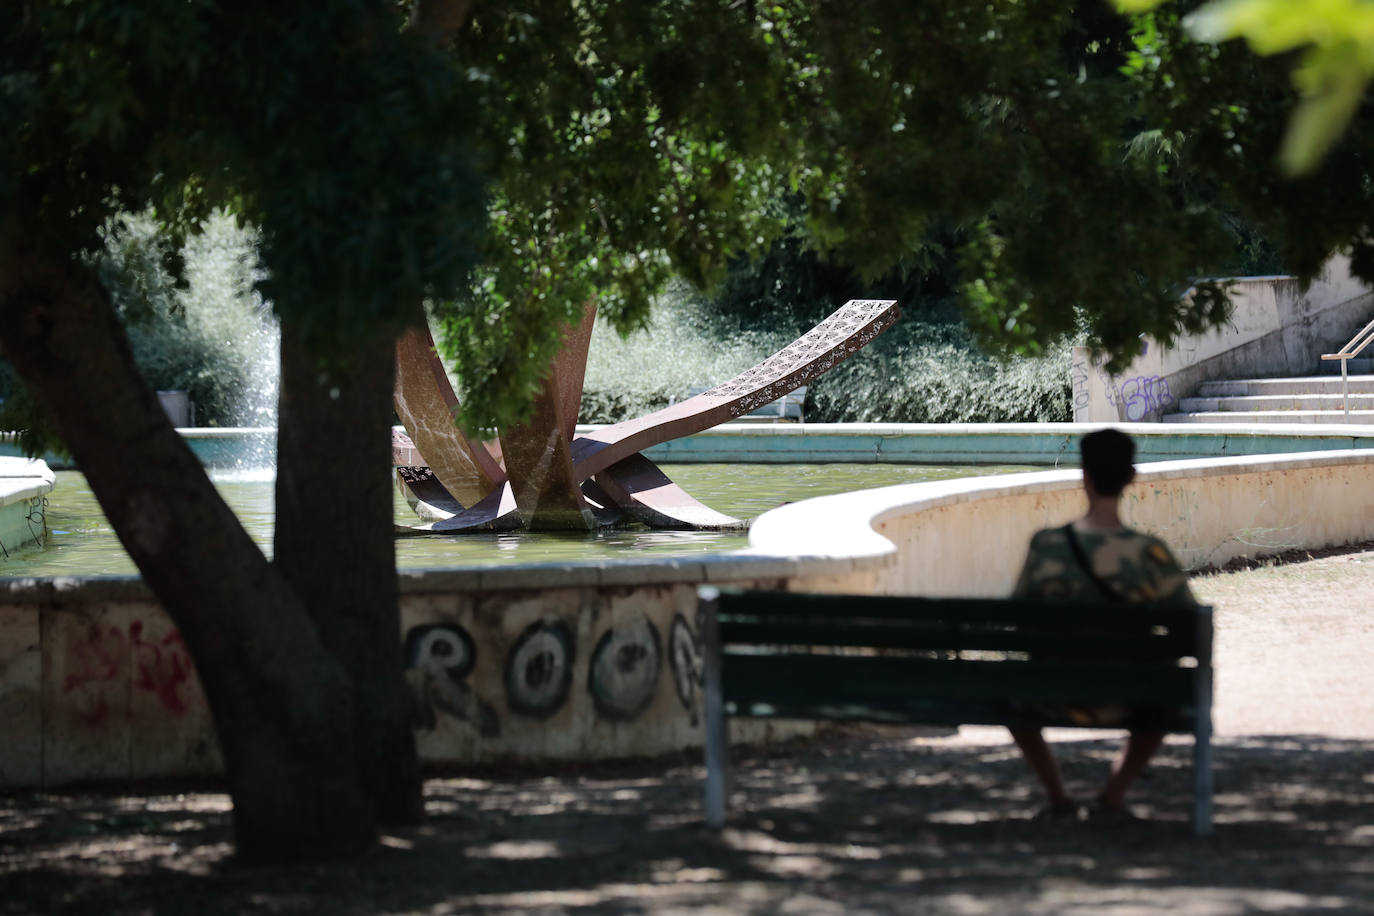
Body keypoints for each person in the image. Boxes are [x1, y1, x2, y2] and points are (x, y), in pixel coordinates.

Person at [1008, 427, 1195, 822]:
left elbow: (1017, 617)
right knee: (1169, 684)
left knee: (1011, 687)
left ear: (1084, 477)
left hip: (1050, 692)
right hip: (1130, 697)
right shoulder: (1149, 553)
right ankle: (1112, 795)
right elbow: (1189, 627)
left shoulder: (1046, 545)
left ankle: (1058, 798)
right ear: (1131, 478)